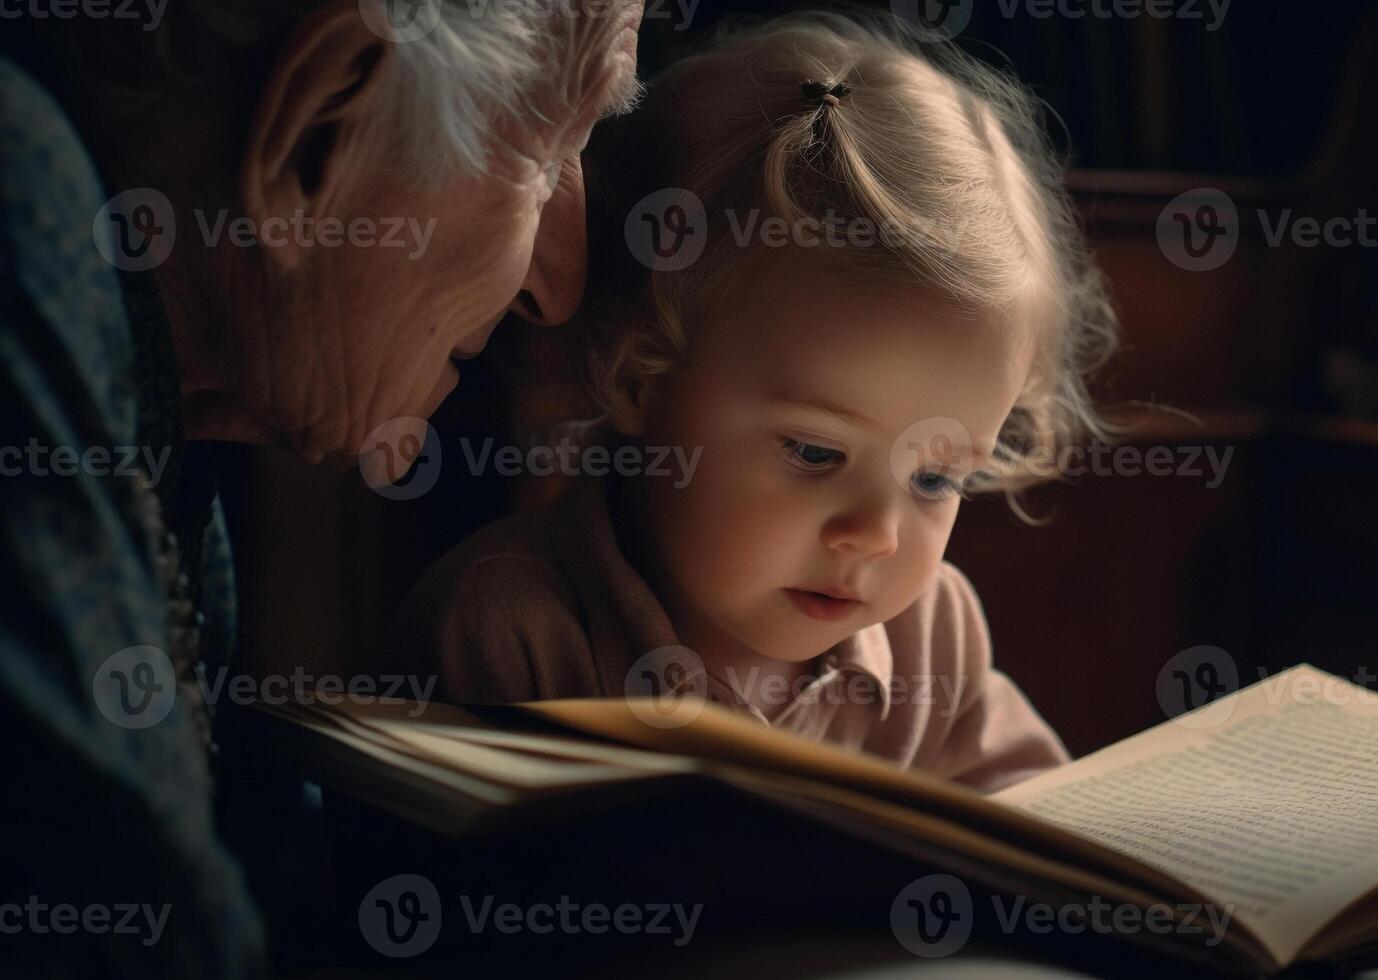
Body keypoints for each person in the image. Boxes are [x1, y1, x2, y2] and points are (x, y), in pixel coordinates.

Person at [0, 1, 642, 974]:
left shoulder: (167, 403)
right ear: (317, 131)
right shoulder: (21, 196)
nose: (560, 282)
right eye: (549, 148)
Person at [390, 13, 1118, 793]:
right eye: (814, 452)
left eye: (935, 480)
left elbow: (1043, 831)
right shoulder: (508, 629)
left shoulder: (929, 636)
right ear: (637, 377)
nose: (874, 534)